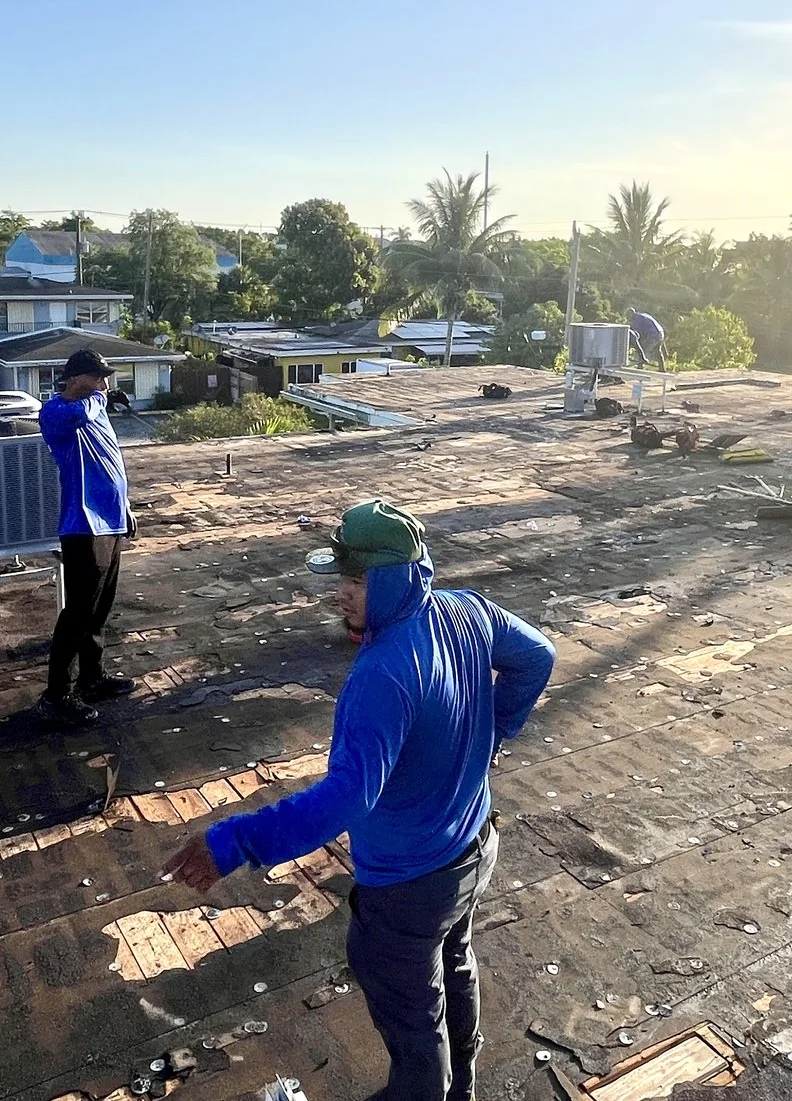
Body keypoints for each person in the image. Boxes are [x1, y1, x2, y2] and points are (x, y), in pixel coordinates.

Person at [165, 500, 555, 1101]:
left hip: (408, 884)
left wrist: (235, 840)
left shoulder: (382, 674)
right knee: (453, 964)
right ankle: (462, 1089)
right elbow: (538, 655)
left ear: (393, 577)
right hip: (474, 849)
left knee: (413, 1023)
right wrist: (493, 733)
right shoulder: (466, 611)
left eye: (355, 581)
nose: (340, 595)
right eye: (340, 579)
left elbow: (347, 797)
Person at [36, 349, 137, 728]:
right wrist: (97, 397)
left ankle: (92, 677)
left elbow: (112, 464)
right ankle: (56, 693)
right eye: (98, 377)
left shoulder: (96, 409)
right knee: (77, 612)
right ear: (76, 378)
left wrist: (125, 508)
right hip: (83, 525)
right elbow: (75, 413)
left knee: (99, 609)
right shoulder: (56, 412)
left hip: (110, 521)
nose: (105, 384)